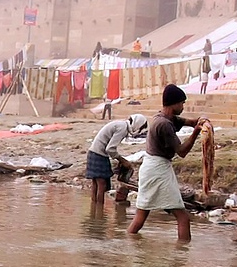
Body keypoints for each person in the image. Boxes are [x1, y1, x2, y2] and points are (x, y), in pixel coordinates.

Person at [127, 84, 208, 242]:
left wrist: (198, 123)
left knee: (140, 217)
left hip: (150, 168)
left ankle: (127, 244)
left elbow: (189, 121)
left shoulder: (163, 117)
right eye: (182, 103)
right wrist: (196, 132)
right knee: (183, 218)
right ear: (174, 104)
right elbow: (182, 151)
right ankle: (181, 256)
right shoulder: (164, 125)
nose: (183, 106)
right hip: (158, 171)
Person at [86, 114, 147, 204]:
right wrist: (123, 160)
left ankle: (94, 210)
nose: (139, 131)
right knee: (102, 185)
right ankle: (99, 213)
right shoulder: (123, 128)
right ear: (137, 125)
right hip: (99, 155)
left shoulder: (121, 125)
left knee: (96, 184)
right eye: (140, 128)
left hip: (93, 153)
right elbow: (110, 149)